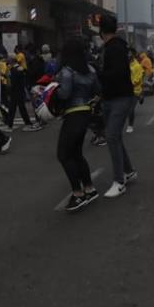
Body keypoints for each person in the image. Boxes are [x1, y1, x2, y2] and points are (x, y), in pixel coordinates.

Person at [55, 38, 100, 212]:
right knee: (76, 153)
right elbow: (97, 90)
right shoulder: (89, 69)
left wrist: (51, 89)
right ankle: (89, 188)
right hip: (85, 113)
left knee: (64, 155)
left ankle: (78, 194)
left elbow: (65, 94)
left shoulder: (67, 71)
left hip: (73, 114)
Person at [98, 15, 137, 198]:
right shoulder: (115, 46)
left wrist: (99, 74)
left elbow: (117, 72)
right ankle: (128, 171)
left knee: (112, 136)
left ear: (101, 30)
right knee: (115, 136)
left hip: (120, 97)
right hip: (111, 97)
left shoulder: (115, 48)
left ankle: (119, 181)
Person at [127, 46, 144, 133]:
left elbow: (138, 79)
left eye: (129, 53)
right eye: (127, 53)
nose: (127, 55)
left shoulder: (137, 66)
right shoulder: (123, 64)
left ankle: (130, 125)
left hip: (134, 91)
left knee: (130, 109)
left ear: (133, 55)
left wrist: (130, 84)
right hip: (124, 91)